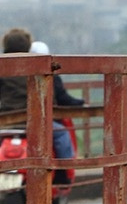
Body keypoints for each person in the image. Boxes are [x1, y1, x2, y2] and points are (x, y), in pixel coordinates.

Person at [0, 28, 75, 170]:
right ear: (28, 45)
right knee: (61, 135)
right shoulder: (36, 64)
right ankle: (63, 172)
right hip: (37, 120)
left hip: (7, 121)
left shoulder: (2, 65)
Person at [29, 41, 86, 107]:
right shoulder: (53, 77)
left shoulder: (21, 75)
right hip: (49, 114)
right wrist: (80, 102)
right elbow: (63, 98)